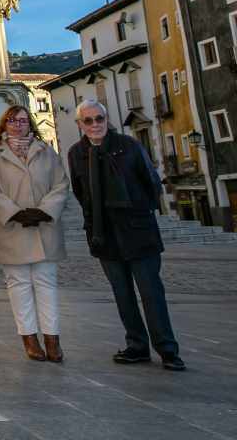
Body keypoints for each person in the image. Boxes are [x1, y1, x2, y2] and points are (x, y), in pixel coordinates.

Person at [67, 99, 185, 372]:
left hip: (137, 230)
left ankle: (167, 349)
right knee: (122, 294)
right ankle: (137, 345)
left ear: (107, 120)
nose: (95, 125)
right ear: (80, 125)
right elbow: (80, 191)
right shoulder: (76, 154)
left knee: (151, 293)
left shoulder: (129, 146)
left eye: (99, 119)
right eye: (89, 120)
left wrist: (137, 211)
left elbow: (151, 182)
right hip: (104, 234)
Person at [0, 105, 70, 363]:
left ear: (30, 123)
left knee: (46, 284)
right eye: (12, 120)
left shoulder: (46, 151)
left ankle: (52, 339)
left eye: (23, 120)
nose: (18, 125)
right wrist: (14, 213)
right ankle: (29, 338)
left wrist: (44, 211)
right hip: (12, 228)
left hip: (43, 227)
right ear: (3, 124)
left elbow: (61, 183)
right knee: (19, 286)